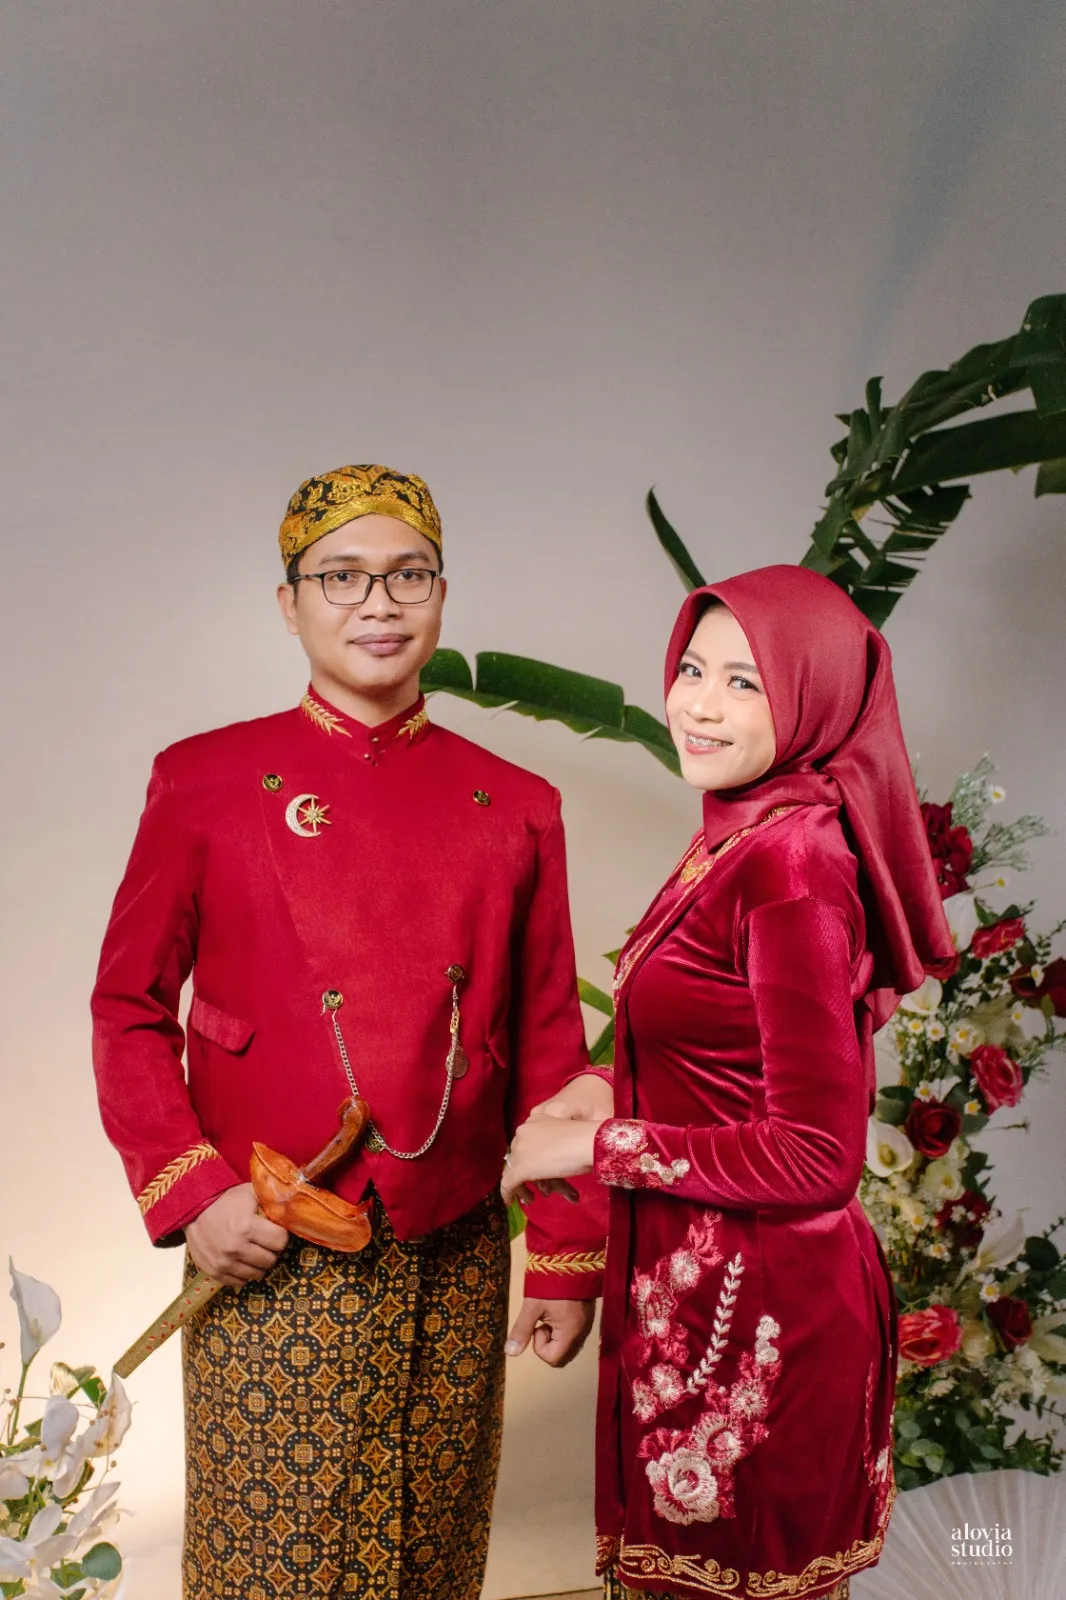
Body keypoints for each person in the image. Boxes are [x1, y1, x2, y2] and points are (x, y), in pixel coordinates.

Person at [91, 463, 607, 1600]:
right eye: (342, 577)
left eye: (407, 574)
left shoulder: (517, 803)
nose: (378, 602)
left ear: (441, 594)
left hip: (457, 1240)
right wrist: (195, 1193)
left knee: (433, 1554)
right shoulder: (204, 780)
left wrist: (567, 1252)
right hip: (272, 1234)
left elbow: (551, 1050)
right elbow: (127, 1008)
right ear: (290, 604)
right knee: (272, 1566)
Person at [502, 565, 956, 1600]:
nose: (698, 704)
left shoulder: (791, 866)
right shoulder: (742, 829)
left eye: (744, 682)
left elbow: (816, 1156)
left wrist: (596, 1147)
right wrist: (609, 1087)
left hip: (766, 1324)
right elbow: (727, 1053)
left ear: (810, 697)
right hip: (702, 1297)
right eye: (692, 669)